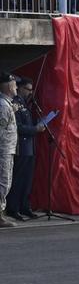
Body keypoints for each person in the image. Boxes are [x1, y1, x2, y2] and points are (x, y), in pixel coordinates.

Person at [7, 77, 43, 221]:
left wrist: (38, 124)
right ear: (20, 88)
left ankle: (25, 206)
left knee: (27, 179)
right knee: (18, 179)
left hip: (29, 147)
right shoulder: (15, 103)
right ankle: (13, 208)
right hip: (20, 147)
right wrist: (35, 129)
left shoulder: (26, 104)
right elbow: (18, 127)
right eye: (28, 89)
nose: (30, 92)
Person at [0, 73, 16, 228]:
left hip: (8, 148)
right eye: (14, 84)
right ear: (9, 86)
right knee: (3, 182)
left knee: (6, 182)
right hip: (3, 149)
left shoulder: (6, 104)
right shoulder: (3, 105)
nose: (16, 87)